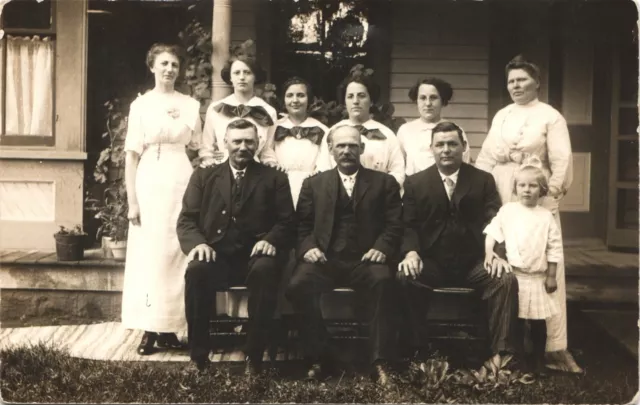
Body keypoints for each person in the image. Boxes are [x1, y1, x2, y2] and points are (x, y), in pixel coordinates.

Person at [475, 55, 581, 373]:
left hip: (537, 194)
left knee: (544, 263)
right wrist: (478, 190)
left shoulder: (550, 116)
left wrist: (551, 196)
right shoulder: (503, 116)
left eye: (522, 80)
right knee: (510, 261)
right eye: (511, 81)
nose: (516, 86)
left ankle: (552, 347)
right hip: (504, 190)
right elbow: (487, 156)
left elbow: (562, 160)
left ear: (537, 83)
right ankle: (508, 342)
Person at [286, 125, 403, 386]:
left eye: (352, 145)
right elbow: (302, 226)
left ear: (362, 149)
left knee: (384, 282)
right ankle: (320, 355)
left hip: (366, 260)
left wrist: (382, 247)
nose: (347, 151)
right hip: (325, 259)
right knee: (298, 286)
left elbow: (394, 224)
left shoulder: (384, 183)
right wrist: (308, 248)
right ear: (331, 150)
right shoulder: (314, 184)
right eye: (340, 146)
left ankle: (380, 361)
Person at [176, 118, 295, 374]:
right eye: (237, 141)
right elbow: (187, 219)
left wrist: (270, 240)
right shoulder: (204, 176)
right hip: (217, 256)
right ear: (225, 143)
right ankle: (198, 358)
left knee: (265, 271)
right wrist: (198, 244)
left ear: (258, 143)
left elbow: (287, 221)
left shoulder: (274, 178)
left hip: (256, 256)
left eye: (249, 141)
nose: (243, 147)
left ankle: (254, 356)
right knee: (196, 271)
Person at [398, 121, 519, 370]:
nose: (446, 150)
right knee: (405, 276)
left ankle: (499, 355)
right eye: (439, 144)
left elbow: (494, 221)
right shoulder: (415, 183)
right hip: (432, 263)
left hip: (474, 263)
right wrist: (411, 252)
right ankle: (417, 352)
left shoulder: (482, 180)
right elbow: (407, 224)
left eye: (452, 144)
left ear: (464, 147)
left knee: (504, 279)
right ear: (431, 148)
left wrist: (494, 254)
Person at [121, 43, 204, 355]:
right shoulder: (140, 105)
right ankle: (149, 328)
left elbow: (200, 147)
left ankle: (170, 328)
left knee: (176, 251)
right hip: (150, 179)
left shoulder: (190, 104)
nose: (170, 69)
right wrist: (133, 201)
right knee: (150, 254)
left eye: (174, 64)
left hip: (181, 177)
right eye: (164, 63)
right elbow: (130, 156)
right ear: (152, 67)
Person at [484, 160, 562, 372]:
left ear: (542, 189)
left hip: (537, 277)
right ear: (515, 188)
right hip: (515, 276)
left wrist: (551, 275)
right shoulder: (508, 211)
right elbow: (493, 231)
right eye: (522, 185)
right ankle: (518, 359)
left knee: (537, 322)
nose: (527, 190)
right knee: (515, 321)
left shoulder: (545, 217)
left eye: (533, 185)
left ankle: (538, 359)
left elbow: (554, 248)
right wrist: (489, 251)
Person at [317, 66, 405, 186]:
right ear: (345, 101)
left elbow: (398, 173)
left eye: (361, 96)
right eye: (350, 96)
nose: (355, 101)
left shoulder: (386, 134)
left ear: (372, 100)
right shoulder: (333, 132)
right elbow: (323, 170)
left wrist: (378, 191)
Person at [201, 40, 278, 166]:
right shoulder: (216, 109)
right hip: (222, 171)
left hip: (256, 174)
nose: (242, 77)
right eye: (237, 73)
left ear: (255, 77)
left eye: (247, 73)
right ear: (230, 78)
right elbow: (207, 148)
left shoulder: (268, 111)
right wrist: (209, 159)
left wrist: (270, 163)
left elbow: (267, 151)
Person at [268, 76, 330, 206]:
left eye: (301, 95)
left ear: (310, 100)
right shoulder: (274, 128)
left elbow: (324, 163)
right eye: (289, 95)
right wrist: (273, 164)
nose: (295, 100)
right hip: (279, 186)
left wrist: (314, 179)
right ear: (283, 100)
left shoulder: (322, 130)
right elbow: (266, 152)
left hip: (311, 188)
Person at [396, 77, 471, 175]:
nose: (428, 103)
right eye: (423, 98)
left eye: (433, 97)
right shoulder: (405, 130)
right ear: (416, 101)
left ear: (442, 101)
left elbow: (464, 165)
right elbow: (399, 167)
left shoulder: (455, 131)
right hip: (414, 187)